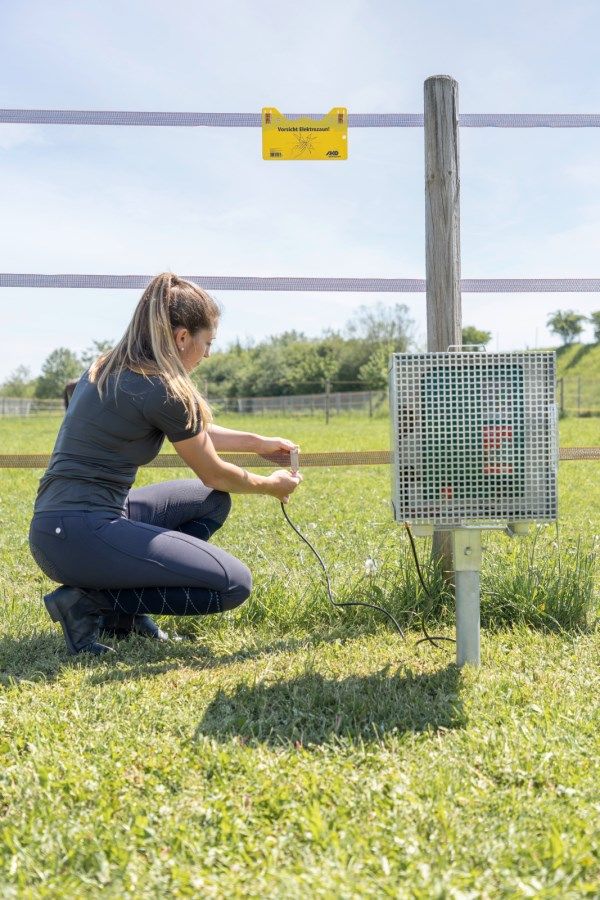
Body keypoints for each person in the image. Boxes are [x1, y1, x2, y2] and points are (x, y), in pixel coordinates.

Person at [28, 272, 302, 655]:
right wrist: (272, 486)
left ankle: (125, 615)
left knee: (211, 499)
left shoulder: (110, 367)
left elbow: (191, 431)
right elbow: (214, 470)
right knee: (233, 584)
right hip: (79, 534)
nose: (208, 354)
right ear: (182, 337)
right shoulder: (159, 389)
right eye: (208, 343)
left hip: (60, 526)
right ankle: (93, 604)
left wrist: (257, 443)